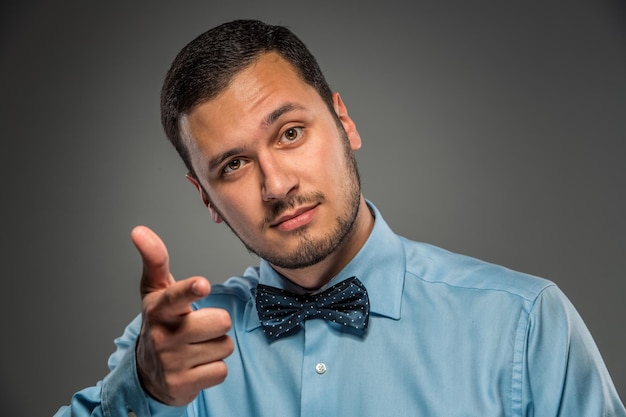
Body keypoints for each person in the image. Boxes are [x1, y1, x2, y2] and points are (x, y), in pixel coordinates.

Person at [55, 19, 625, 417]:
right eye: (232, 165)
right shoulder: (171, 348)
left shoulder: (524, 325)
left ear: (344, 123)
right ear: (206, 197)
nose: (277, 185)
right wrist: (144, 389)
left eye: (291, 133)